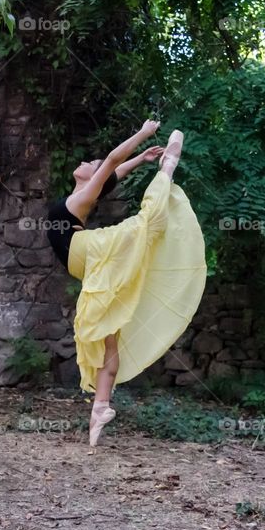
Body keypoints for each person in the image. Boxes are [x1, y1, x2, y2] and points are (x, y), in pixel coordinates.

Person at [46, 120, 207, 446]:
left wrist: (144, 134)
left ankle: (167, 169)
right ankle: (100, 407)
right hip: (89, 262)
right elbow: (113, 171)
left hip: (90, 252)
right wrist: (141, 158)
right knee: (106, 335)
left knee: (143, 227)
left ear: (92, 176)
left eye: (90, 163)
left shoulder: (79, 201)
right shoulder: (81, 195)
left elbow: (111, 162)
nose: (85, 162)